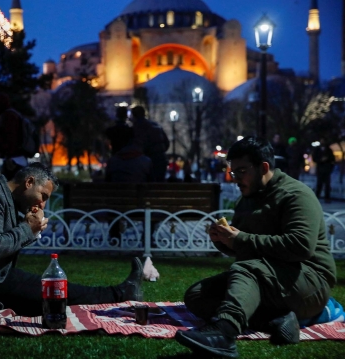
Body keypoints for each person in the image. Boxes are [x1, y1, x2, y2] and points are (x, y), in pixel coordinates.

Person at [175, 136, 336, 358]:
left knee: (245, 269)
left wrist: (240, 239)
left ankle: (224, 333)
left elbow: (300, 246)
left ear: (264, 167)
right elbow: (245, 247)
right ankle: (277, 321)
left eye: (241, 171)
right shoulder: (246, 199)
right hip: (267, 280)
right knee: (197, 296)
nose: (235, 179)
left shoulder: (295, 195)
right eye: (233, 172)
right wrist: (223, 240)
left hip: (309, 281)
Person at [0, 163, 144, 316]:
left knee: (55, 290)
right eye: (43, 196)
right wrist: (28, 228)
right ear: (29, 182)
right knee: (54, 292)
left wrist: (29, 229)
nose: (43, 205)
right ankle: (120, 294)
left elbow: (1, 246)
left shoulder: (5, 198)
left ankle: (119, 293)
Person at [0, 92, 27, 181]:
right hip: (17, 158)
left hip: (13, 159)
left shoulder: (9, 117)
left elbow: (10, 137)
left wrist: (9, 156)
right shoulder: (14, 114)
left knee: (10, 188)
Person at [131, 106, 170, 182]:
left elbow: (140, 146)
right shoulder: (156, 125)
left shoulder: (136, 128)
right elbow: (166, 143)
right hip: (162, 159)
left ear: (134, 115)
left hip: (148, 162)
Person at [312, 138, 335, 203]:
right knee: (319, 184)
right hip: (320, 169)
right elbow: (314, 158)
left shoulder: (329, 150)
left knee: (327, 184)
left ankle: (327, 198)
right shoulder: (317, 150)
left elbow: (332, 159)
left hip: (327, 170)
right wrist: (320, 160)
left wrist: (330, 167)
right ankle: (317, 197)